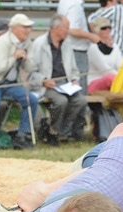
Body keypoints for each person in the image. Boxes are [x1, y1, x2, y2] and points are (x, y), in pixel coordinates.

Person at [0, 13, 38, 151]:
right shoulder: (2, 42)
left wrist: (26, 59)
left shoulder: (28, 43)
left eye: (29, 27)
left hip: (10, 83)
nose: (28, 30)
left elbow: (31, 67)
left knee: (31, 100)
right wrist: (14, 57)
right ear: (14, 28)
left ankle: (23, 135)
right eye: (25, 27)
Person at [31, 14, 87, 146]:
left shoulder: (67, 45)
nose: (68, 31)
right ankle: (53, 132)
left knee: (80, 101)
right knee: (61, 101)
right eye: (66, 28)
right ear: (56, 28)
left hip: (66, 84)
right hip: (47, 85)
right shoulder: (39, 44)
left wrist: (75, 80)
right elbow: (31, 70)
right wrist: (44, 80)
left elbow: (74, 69)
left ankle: (60, 129)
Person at [57, 0, 100, 140]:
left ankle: (69, 130)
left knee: (74, 93)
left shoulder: (64, 2)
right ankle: (76, 130)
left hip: (71, 49)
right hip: (77, 51)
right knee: (79, 92)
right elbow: (73, 29)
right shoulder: (75, 5)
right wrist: (91, 36)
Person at [87, 17, 123, 92]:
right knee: (110, 78)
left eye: (109, 28)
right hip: (94, 81)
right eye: (104, 28)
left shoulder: (115, 46)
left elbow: (121, 66)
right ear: (97, 30)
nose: (107, 30)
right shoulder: (92, 47)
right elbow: (104, 69)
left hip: (114, 80)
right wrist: (122, 78)